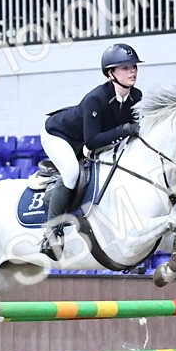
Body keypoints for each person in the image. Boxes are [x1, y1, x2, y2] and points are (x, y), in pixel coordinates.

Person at [38, 43, 144, 257]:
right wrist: (124, 129)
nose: (132, 71)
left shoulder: (136, 96)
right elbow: (93, 140)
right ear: (110, 73)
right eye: (124, 68)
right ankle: (50, 234)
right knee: (71, 173)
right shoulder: (95, 99)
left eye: (133, 66)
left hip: (87, 139)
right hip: (59, 135)